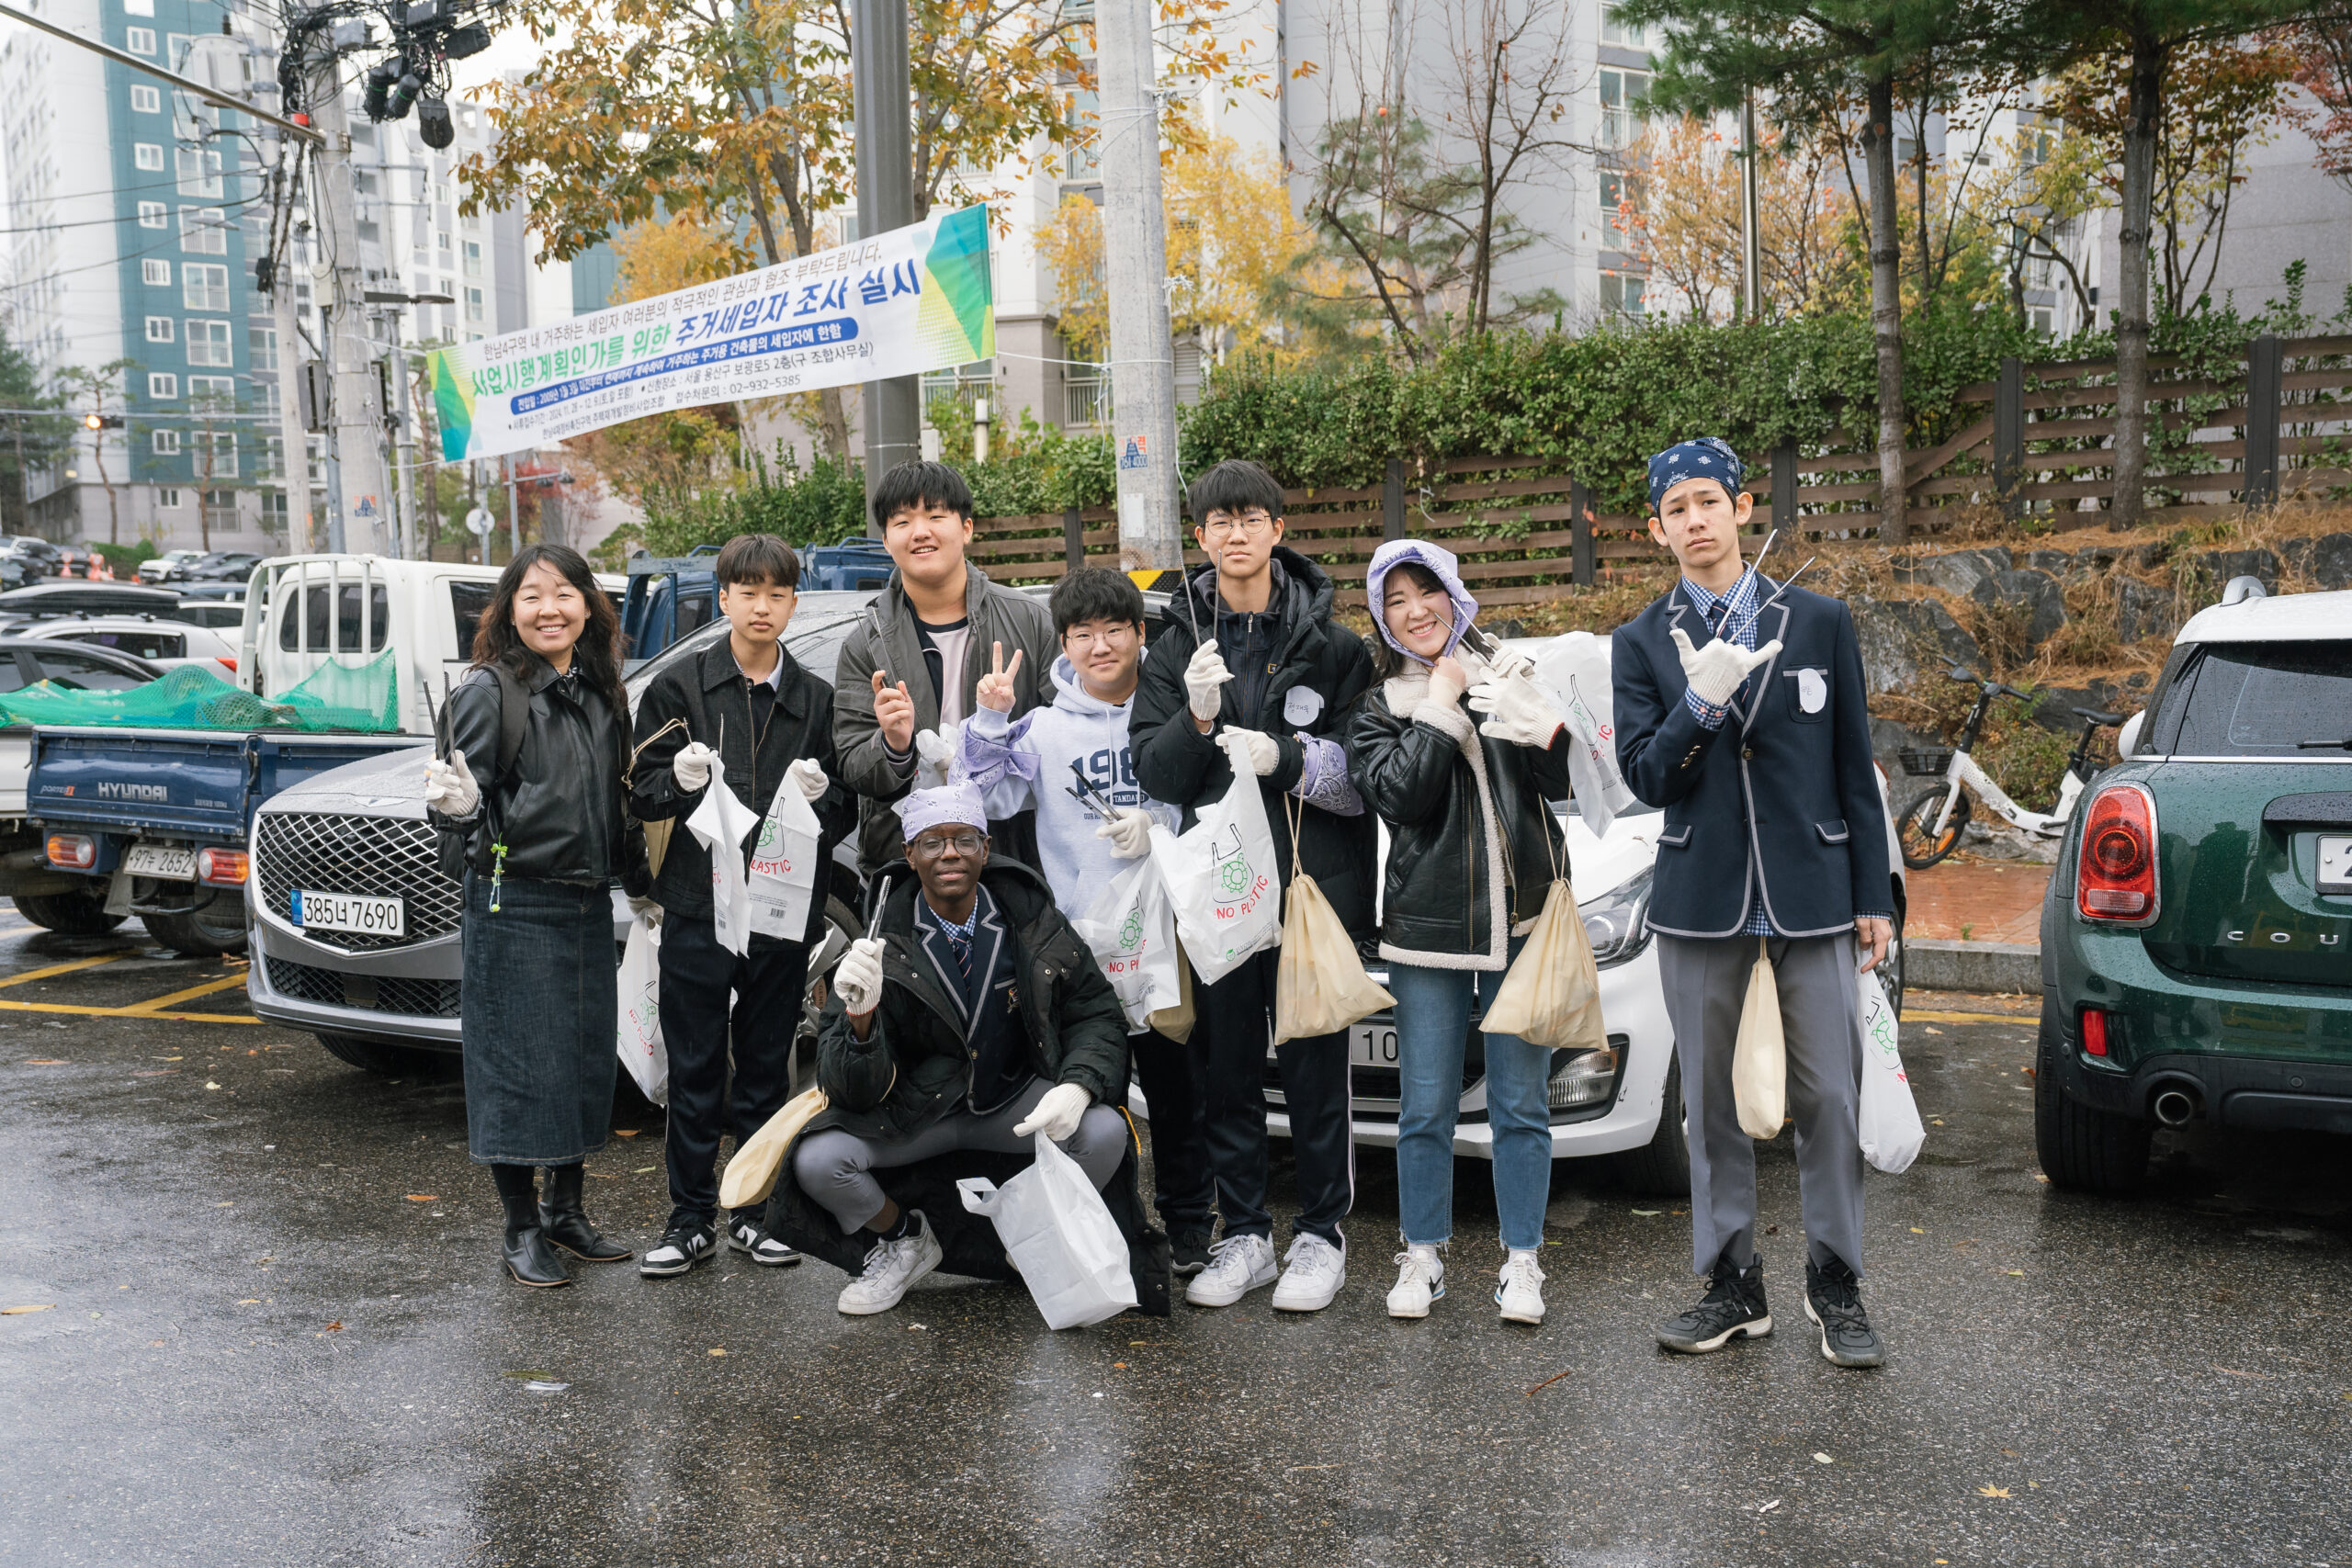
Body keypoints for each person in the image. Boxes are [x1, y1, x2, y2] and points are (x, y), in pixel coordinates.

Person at [1611, 435, 1894, 1370]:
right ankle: (1731, 1283)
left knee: (1828, 1093)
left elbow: (1854, 766)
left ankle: (1835, 1280)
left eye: (1707, 501)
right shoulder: (1641, 642)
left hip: (1812, 889)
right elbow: (1647, 778)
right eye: (1674, 510)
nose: (1694, 520)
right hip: (1699, 897)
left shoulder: (1816, 621)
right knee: (1711, 1102)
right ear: (1657, 531)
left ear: (1740, 509)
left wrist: (1873, 894)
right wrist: (1697, 705)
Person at [1128, 457, 1377, 1314]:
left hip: (1313, 889)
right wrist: (1195, 716)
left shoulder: (1337, 647)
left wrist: (1291, 758)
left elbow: (1363, 778)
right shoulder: (1175, 646)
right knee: (1226, 1069)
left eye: (1250, 519)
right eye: (1218, 522)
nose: (1235, 535)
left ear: (1278, 528)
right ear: (1200, 537)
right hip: (1221, 889)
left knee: (1313, 1065)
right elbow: (1153, 770)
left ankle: (1321, 1233)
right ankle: (1245, 1234)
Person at [785, 781, 1136, 1315]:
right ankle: (905, 1240)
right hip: (915, 1113)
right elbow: (846, 1090)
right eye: (932, 842)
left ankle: (1038, 1237)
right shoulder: (881, 938)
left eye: (965, 839)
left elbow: (1096, 1012)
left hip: (1008, 1099)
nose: (950, 853)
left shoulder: (1029, 917)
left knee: (1105, 1130)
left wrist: (1078, 1084)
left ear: (986, 847)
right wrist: (860, 1022)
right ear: (909, 854)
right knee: (819, 1160)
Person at [955, 567, 1216, 1277]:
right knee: (1091, 1093)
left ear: (1140, 634)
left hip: (1168, 942)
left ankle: (1191, 1227)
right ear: (1064, 645)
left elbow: (1209, 806)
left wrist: (1156, 824)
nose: (1100, 646)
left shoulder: (1168, 712)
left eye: (1114, 630)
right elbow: (978, 800)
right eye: (1082, 634)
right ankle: (1107, 1233)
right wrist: (988, 721)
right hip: (1078, 952)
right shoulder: (1044, 726)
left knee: (1177, 1088)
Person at [1346, 539, 1575, 1326]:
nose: (1416, 611)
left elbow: (1562, 783)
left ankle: (1522, 1262)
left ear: (1455, 594)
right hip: (1425, 932)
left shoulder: (1504, 671)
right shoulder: (1379, 707)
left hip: (1520, 924)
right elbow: (1401, 797)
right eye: (1397, 601)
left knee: (1519, 1101)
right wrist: (1443, 698)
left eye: (1427, 592)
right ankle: (1423, 1255)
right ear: (1383, 617)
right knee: (1425, 1105)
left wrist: (1538, 715)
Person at [628, 534, 857, 1280]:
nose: (762, 606)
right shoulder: (680, 687)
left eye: (778, 593)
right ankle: (690, 1215)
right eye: (747, 591)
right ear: (722, 597)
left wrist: (831, 800)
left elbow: (847, 806)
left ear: (794, 602)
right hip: (698, 903)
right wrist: (679, 777)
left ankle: (756, 1212)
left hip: (784, 909)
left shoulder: (816, 699)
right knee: (694, 1064)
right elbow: (639, 785)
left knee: (766, 1063)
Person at [423, 544, 637, 1289]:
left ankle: (567, 1211)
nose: (550, 609)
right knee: (516, 1071)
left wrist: (640, 876)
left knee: (578, 1064)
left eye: (565, 594)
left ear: (588, 604)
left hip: (585, 900)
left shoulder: (602, 685)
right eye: (533, 596)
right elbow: (454, 804)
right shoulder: (490, 690)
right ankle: (519, 1226)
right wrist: (457, 816)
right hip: (513, 903)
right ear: (509, 608)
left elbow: (619, 795)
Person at [831, 459, 1058, 876]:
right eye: (902, 521)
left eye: (936, 516)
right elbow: (851, 764)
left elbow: (1065, 733)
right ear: (885, 540)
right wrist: (893, 748)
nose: (921, 531)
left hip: (1013, 855)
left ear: (967, 529)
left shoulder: (1029, 620)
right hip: (908, 862)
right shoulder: (866, 643)